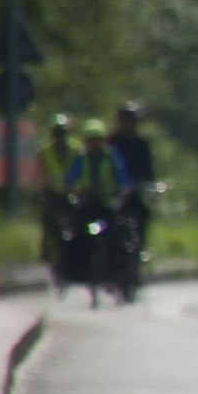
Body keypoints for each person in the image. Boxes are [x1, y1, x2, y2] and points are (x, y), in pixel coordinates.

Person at [63, 119, 133, 282]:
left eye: (97, 139)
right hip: (87, 201)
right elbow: (71, 178)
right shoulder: (81, 158)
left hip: (106, 202)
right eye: (90, 140)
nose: (94, 143)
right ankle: (77, 266)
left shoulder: (111, 157)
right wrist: (70, 190)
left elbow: (122, 178)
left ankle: (117, 266)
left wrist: (123, 191)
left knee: (116, 232)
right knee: (77, 231)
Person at [108, 103, 158, 262]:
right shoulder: (112, 142)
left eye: (133, 121)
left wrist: (149, 185)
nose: (130, 124)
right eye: (127, 120)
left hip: (135, 190)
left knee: (143, 213)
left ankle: (140, 248)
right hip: (114, 191)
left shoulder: (141, 143)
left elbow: (148, 169)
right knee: (109, 217)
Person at [38, 114, 78, 264]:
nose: (60, 136)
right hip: (52, 192)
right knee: (48, 218)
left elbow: (81, 171)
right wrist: (45, 190)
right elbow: (41, 174)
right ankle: (46, 249)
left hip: (72, 193)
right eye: (57, 133)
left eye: (62, 132)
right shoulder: (45, 152)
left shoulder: (76, 150)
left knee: (77, 218)